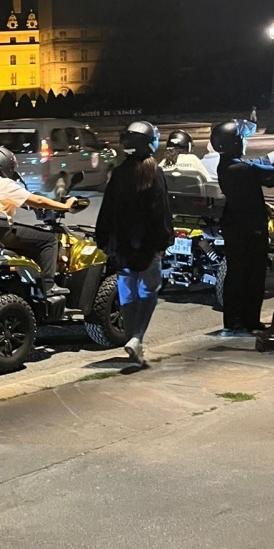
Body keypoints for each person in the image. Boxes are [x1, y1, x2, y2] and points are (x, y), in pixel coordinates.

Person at [211, 118, 274, 337]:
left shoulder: (228, 166)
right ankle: (250, 321)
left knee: (236, 275)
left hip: (235, 227)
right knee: (253, 276)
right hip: (251, 229)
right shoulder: (240, 169)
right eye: (241, 139)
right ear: (233, 143)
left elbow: (260, 162)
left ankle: (234, 321)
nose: (244, 143)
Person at [95, 121, 173, 366]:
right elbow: (160, 212)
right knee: (149, 290)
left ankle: (132, 341)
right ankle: (137, 338)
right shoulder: (154, 172)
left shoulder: (118, 173)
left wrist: (104, 240)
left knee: (127, 293)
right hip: (148, 247)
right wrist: (163, 242)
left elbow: (106, 211)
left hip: (122, 247)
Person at [0, 146, 75, 296]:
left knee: (26, 233)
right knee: (49, 240)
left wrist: (28, 205)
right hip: (2, 234)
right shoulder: (3, 183)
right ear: (4, 164)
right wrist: (65, 206)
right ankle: (48, 286)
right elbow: (38, 200)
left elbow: (13, 201)